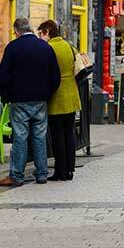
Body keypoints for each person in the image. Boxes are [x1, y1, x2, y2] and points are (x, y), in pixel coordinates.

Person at [0, 17, 60, 187]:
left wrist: (6, 96)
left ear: (16, 31)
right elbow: (55, 77)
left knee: (20, 138)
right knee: (39, 137)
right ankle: (42, 174)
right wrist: (47, 94)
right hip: (40, 100)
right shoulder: (45, 47)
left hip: (19, 100)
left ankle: (16, 175)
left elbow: (4, 76)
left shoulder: (13, 48)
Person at [37, 19, 81, 182]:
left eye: (41, 33)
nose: (40, 37)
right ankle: (70, 169)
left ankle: (60, 171)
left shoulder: (48, 48)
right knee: (69, 133)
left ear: (47, 31)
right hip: (71, 93)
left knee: (57, 135)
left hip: (57, 95)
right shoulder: (68, 45)